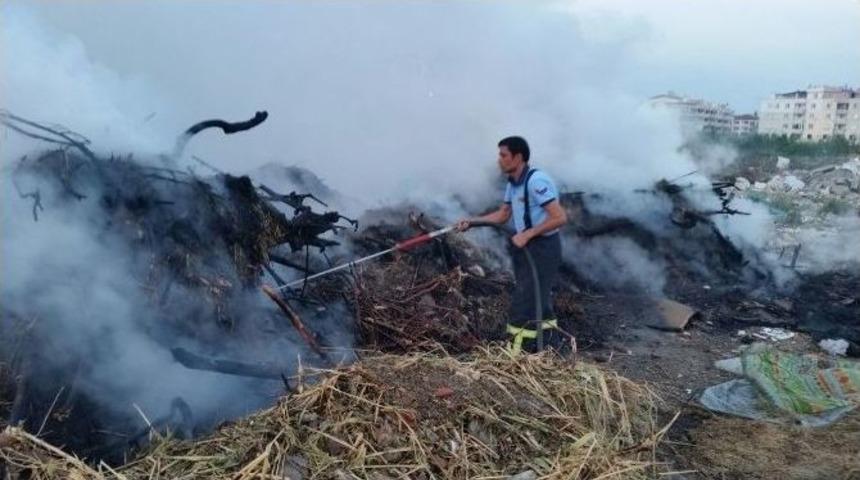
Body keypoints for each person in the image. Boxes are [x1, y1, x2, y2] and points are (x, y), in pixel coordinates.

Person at [456, 136, 567, 353]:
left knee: (523, 301)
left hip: (543, 248)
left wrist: (528, 234)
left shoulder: (536, 181)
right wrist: (473, 222)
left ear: (518, 157)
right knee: (539, 299)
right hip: (526, 248)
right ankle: (550, 347)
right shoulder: (513, 183)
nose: (499, 160)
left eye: (503, 155)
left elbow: (559, 217)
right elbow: (503, 214)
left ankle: (515, 354)